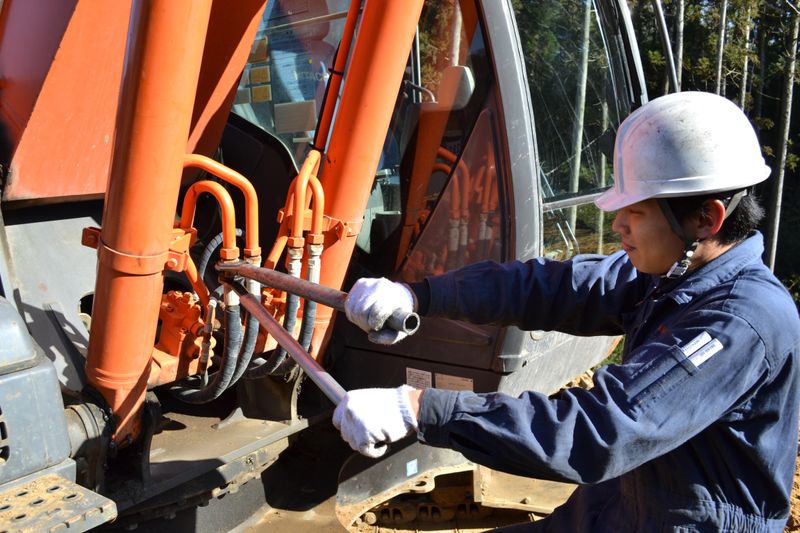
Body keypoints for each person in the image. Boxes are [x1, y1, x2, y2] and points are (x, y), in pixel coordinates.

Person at [333, 91, 800, 532]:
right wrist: (420, 295)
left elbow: (604, 429)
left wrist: (421, 407)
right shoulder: (676, 274)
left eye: (635, 212)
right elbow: (550, 287)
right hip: (630, 503)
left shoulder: (738, 321)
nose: (617, 223)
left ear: (706, 219)